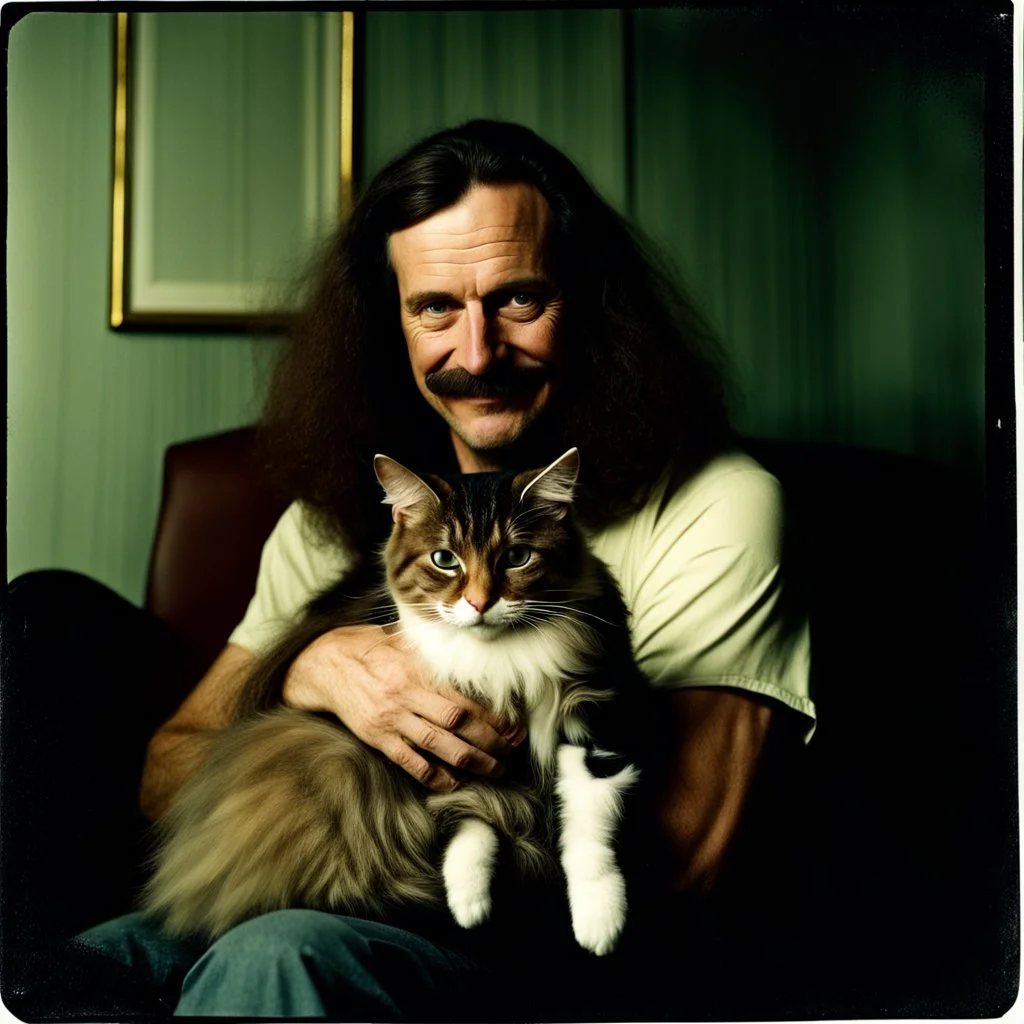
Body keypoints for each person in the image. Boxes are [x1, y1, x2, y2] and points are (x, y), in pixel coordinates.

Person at [69, 119, 813, 1018]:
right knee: (92, 964)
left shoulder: (718, 505)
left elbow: (680, 860)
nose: (476, 352)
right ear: (390, 324)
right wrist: (303, 670)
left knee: (275, 960)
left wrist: (463, 825)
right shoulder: (341, 518)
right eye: (434, 308)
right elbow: (166, 778)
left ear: (592, 305)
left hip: (521, 955)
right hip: (305, 890)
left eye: (519, 300)